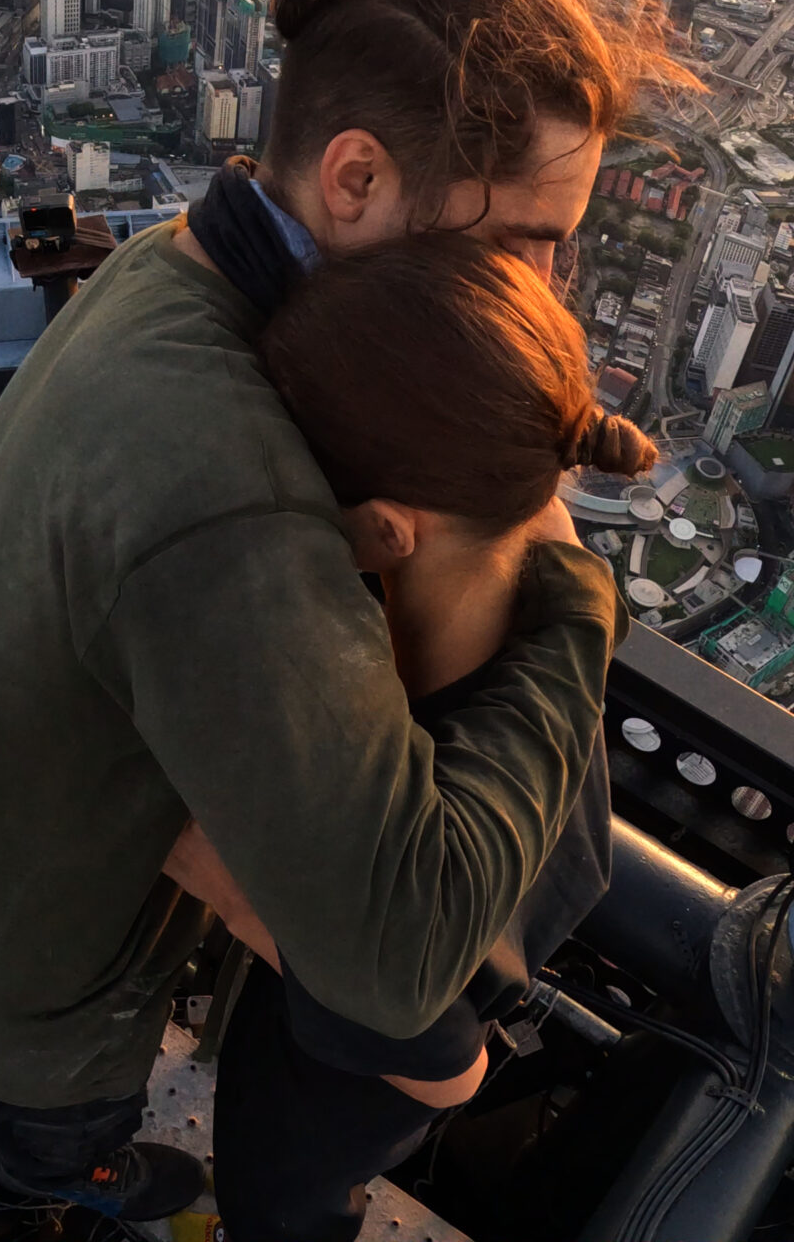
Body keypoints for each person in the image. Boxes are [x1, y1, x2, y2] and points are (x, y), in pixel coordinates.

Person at [0, 0, 695, 1226]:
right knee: (47, 1162)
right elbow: (396, 954)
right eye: (532, 243)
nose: (548, 291)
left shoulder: (186, 262)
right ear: (357, 176)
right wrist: (568, 596)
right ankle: (40, 1192)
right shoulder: (224, 480)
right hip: (33, 1005)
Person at [160, 234, 655, 1240]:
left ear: (384, 530)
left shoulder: (386, 821)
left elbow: (445, 1069)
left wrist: (220, 882)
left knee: (279, 1198)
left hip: (343, 1088)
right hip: (482, 955)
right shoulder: (542, 601)